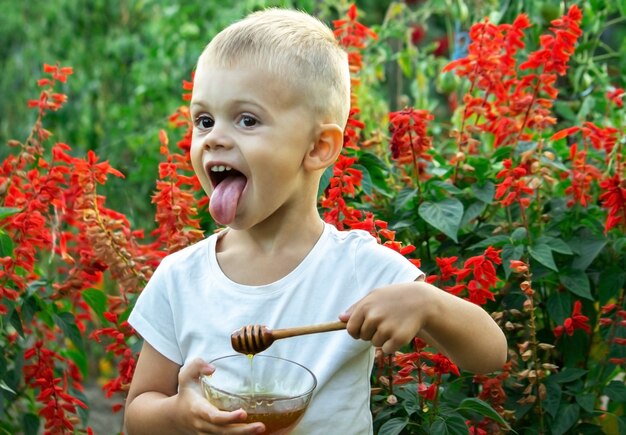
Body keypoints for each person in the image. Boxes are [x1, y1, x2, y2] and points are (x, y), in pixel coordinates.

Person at [124, 8, 507, 435]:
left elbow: (490, 354)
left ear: (319, 148)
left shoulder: (357, 268)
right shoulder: (180, 279)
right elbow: (138, 413)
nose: (213, 137)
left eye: (247, 120)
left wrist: (427, 305)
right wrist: (178, 415)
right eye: (204, 120)